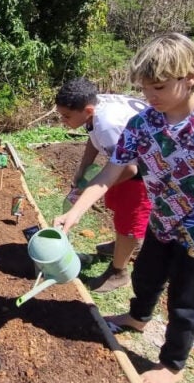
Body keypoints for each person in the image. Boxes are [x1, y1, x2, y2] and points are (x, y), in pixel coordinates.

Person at [54, 32, 194, 383]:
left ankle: (172, 363)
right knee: (147, 277)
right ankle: (137, 318)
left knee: (186, 299)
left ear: (190, 77)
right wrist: (76, 210)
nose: (150, 97)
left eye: (160, 88)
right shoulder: (144, 124)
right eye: (146, 88)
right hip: (161, 219)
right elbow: (111, 171)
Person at [54, 78, 151, 293]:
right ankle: (120, 246)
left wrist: (93, 190)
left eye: (66, 116)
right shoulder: (96, 108)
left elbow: (130, 170)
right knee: (116, 203)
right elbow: (93, 134)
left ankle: (119, 271)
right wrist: (83, 168)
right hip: (127, 162)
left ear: (87, 110)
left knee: (129, 219)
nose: (63, 121)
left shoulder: (108, 123)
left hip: (145, 170)